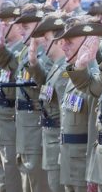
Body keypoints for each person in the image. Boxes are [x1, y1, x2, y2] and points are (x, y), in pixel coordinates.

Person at [0, 3, 54, 192]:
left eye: (26, 26)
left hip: (37, 130)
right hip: (24, 130)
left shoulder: (48, 55)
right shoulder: (25, 52)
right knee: (26, 183)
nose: (20, 29)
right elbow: (8, 64)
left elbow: (46, 89)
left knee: (38, 184)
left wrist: (34, 60)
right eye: (19, 25)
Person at [54, 15, 102, 192]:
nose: (63, 46)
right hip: (69, 162)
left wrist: (91, 173)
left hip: (83, 167)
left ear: (88, 44)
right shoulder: (76, 74)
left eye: (69, 42)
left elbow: (94, 132)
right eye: (63, 41)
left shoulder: (92, 77)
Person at [28, 11, 70, 192]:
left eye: (46, 39)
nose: (42, 44)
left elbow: (65, 116)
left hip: (59, 146)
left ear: (59, 40)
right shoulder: (55, 68)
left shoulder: (63, 71)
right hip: (51, 142)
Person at [0, 3, 25, 192]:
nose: (0, 26)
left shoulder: (21, 52)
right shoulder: (4, 50)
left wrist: (0, 47)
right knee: (3, 180)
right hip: (1, 125)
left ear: (17, 25)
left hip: (13, 125)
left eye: (5, 22)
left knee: (12, 181)